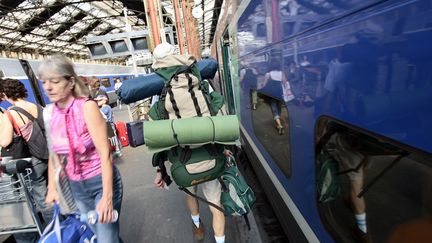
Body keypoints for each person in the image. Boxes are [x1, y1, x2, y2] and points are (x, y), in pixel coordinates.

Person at [38, 55, 123, 243]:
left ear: (70, 82)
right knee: (101, 235)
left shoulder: (87, 107)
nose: (48, 87)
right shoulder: (49, 113)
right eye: (44, 82)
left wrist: (107, 197)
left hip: (102, 182)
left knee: (106, 238)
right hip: (77, 188)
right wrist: (52, 187)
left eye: (55, 81)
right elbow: (54, 155)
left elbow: (105, 155)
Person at [151, 42, 226, 243]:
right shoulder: (199, 81)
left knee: (191, 194)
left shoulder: (160, 93)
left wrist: (160, 169)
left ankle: (198, 228)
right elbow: (218, 110)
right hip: (212, 157)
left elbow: (158, 139)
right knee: (216, 204)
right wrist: (226, 148)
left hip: (183, 164)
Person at [0, 78, 54, 243]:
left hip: (33, 160)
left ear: (5, 94)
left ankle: (54, 229)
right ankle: (61, 222)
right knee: (49, 193)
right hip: (47, 156)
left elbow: (5, 141)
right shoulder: (36, 106)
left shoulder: (10, 113)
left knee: (40, 197)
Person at [262, 61, 288, 135]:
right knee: (279, 107)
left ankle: (279, 125)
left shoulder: (268, 73)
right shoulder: (281, 73)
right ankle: (278, 122)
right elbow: (285, 83)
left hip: (272, 93)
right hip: (279, 92)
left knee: (274, 109)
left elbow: (263, 84)